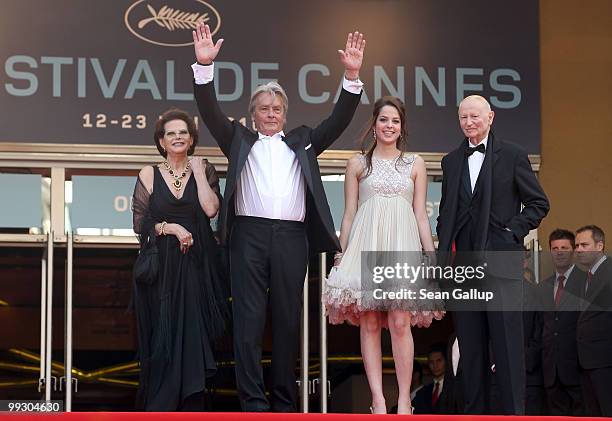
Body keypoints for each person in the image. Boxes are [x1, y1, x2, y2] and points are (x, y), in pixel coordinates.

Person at [191, 23, 365, 412]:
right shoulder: (237, 139)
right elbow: (210, 110)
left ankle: (285, 403)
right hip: (248, 236)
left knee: (288, 321)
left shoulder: (302, 140)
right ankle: (253, 402)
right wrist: (204, 69)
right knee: (249, 321)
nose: (271, 114)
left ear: (285, 113)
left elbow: (337, 122)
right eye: (264, 109)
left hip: (291, 237)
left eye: (277, 109)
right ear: (253, 114)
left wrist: (351, 78)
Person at [322, 96, 444, 414]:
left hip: (402, 247)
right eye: (384, 120)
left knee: (401, 320)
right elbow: (348, 213)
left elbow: (420, 215)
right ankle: (377, 399)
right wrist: (341, 255)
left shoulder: (415, 164)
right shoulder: (357, 164)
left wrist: (430, 256)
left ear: (401, 127)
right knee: (371, 322)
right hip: (366, 245)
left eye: (395, 121)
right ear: (374, 124)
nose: (389, 126)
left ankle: (404, 399)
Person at [436, 95, 549, 414]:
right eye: (463, 118)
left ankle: (514, 417)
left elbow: (539, 204)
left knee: (508, 350)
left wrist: (512, 230)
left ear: (490, 117)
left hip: (501, 265)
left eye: (475, 116)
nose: (469, 122)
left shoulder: (513, 155)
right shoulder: (450, 161)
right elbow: (446, 214)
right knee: (470, 352)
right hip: (464, 271)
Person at [131, 108, 227, 411]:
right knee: (163, 339)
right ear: (161, 141)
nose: (177, 137)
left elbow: (212, 210)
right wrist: (170, 227)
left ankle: (191, 408)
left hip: (197, 267)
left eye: (183, 133)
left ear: (191, 139)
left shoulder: (204, 169)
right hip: (161, 270)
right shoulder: (149, 173)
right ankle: (160, 408)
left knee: (193, 337)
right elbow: (140, 224)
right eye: (170, 133)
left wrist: (198, 172)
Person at [540, 229, 585, 415]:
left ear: (573, 251)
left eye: (564, 248)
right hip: (551, 372)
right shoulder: (543, 287)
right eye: (555, 248)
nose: (559, 252)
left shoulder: (586, 283)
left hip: (579, 370)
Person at [575, 225, 612, 416]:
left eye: (584, 244)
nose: (578, 249)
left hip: (606, 362)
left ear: (599, 246)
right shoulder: (585, 277)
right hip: (587, 362)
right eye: (577, 245)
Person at [413, 344, 452, 414]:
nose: (435, 365)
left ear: (446, 361)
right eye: (431, 362)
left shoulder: (455, 389)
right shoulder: (421, 393)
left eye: (439, 361)